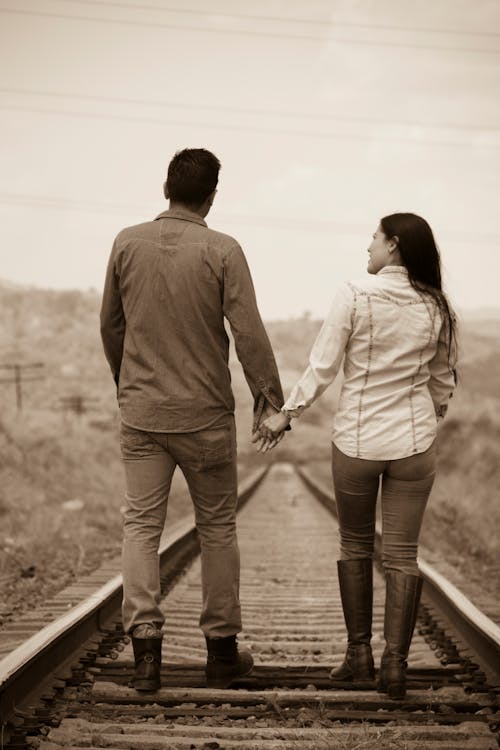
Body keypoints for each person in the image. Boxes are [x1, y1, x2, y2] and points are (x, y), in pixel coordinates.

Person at [100, 147, 286, 692]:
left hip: (143, 415)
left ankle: (146, 655)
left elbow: (111, 326)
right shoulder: (223, 250)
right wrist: (267, 398)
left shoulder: (125, 242)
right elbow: (248, 330)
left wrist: (125, 383)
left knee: (141, 526)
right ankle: (222, 652)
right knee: (218, 528)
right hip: (205, 416)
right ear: (212, 195)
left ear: (166, 188)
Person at [256, 213, 457, 699]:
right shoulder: (437, 304)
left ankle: (359, 655)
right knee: (404, 556)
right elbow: (443, 378)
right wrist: (426, 416)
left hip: (358, 441)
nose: (367, 246)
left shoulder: (353, 293)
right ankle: (396, 666)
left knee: (355, 546)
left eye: (373, 238)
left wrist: (287, 413)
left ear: (392, 246)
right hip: (414, 443)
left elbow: (323, 365)